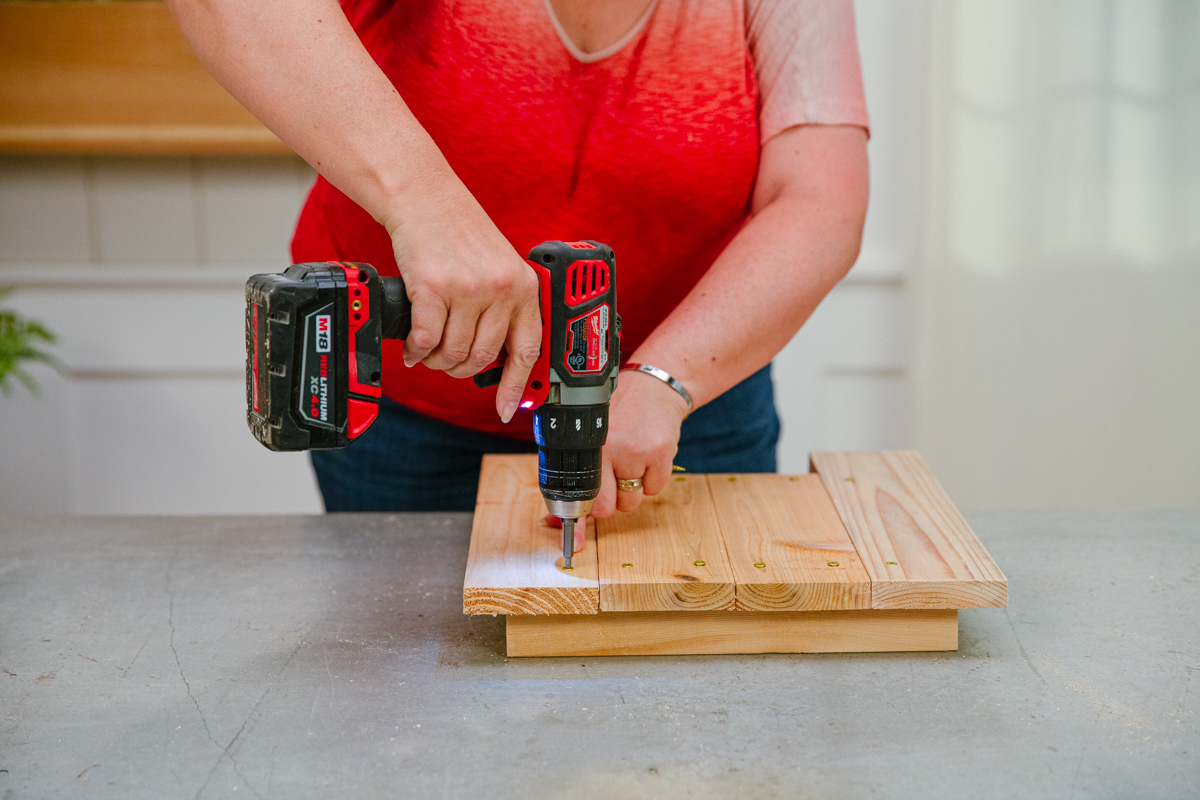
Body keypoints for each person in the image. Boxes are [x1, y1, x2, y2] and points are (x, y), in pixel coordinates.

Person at [169, 0, 870, 549]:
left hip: (681, 401)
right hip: (412, 412)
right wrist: (433, 210)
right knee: (404, 684)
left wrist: (663, 381)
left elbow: (819, 198)